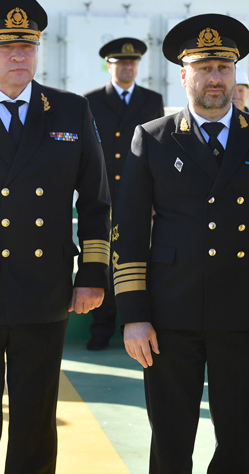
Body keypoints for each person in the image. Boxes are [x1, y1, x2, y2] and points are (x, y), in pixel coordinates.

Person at [112, 13, 249, 472]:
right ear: (184, 76)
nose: (215, 78)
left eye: (223, 68)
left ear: (235, 74)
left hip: (242, 309)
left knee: (238, 440)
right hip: (170, 313)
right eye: (204, 68)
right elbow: (129, 231)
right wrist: (134, 316)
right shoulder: (153, 138)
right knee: (170, 439)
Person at [0, 0, 111, 473]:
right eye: (6, 47)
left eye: (28, 47)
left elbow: (96, 201)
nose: (19, 56)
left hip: (43, 287)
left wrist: (92, 273)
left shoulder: (70, 111)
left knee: (35, 421)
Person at [83, 37, 164, 350]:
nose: (128, 67)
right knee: (103, 261)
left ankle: (139, 321)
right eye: (121, 62)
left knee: (140, 259)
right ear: (109, 65)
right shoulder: (90, 100)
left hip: (140, 194)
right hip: (104, 194)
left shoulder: (151, 100)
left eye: (132, 62)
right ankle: (101, 328)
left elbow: (159, 150)